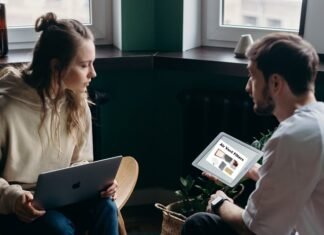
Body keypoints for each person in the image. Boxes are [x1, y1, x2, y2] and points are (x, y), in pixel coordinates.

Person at [181, 32, 324, 235]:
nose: (247, 87)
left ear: (275, 83)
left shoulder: (292, 136)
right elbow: (299, 178)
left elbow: (258, 229)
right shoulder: (316, 122)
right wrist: (250, 169)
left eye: (253, 76)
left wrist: (220, 202)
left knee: (200, 223)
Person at [0, 12, 119, 235]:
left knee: (106, 208)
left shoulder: (77, 101)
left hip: (64, 197)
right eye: (84, 65)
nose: (93, 73)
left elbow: (81, 161)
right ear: (56, 67)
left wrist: (99, 185)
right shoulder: (6, 107)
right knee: (57, 228)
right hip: (17, 207)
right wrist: (14, 199)